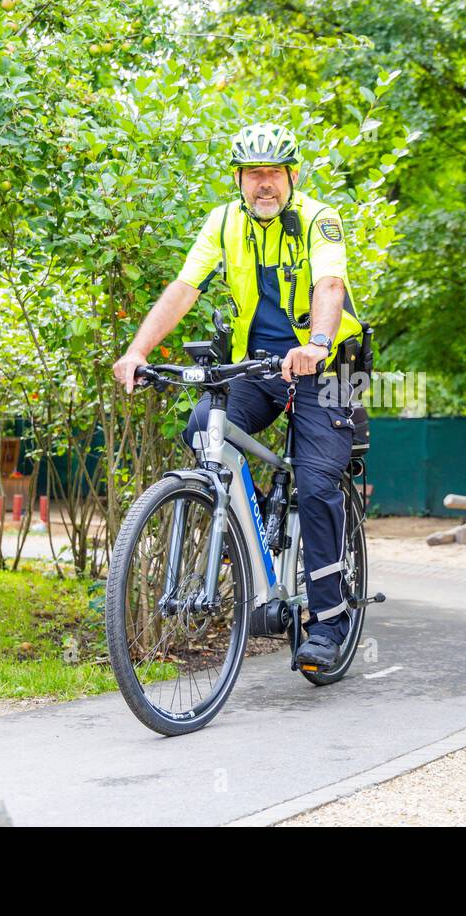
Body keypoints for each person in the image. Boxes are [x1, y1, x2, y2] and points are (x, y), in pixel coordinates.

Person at [112, 122, 365, 671]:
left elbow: (329, 285)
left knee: (318, 482)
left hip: (329, 366)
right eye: (254, 174)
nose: (264, 185)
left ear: (292, 177)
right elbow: (184, 287)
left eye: (273, 173)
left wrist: (318, 343)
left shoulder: (320, 220)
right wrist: (136, 351)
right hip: (259, 365)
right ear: (240, 179)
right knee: (204, 429)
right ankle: (250, 545)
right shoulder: (223, 222)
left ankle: (328, 623)